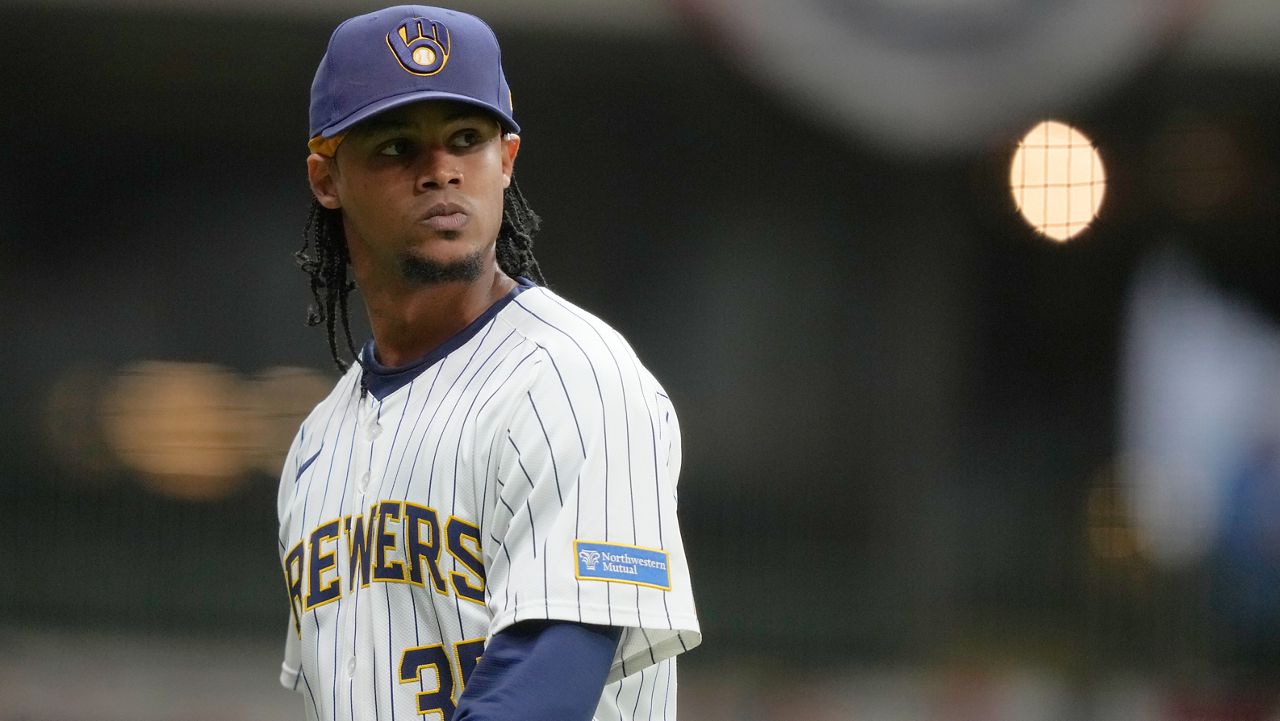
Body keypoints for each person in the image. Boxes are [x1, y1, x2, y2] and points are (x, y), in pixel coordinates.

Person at [275, 6, 701, 720]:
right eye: (397, 146)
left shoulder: (573, 378)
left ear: (505, 159)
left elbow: (542, 690)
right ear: (327, 177)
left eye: (466, 140)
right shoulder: (317, 446)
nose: (440, 171)